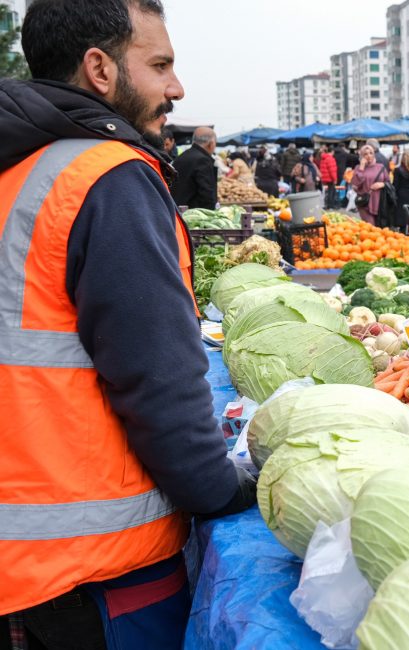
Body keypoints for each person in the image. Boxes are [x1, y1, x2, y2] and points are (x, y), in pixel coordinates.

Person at [0, 1, 256, 647]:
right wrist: (222, 489)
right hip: (90, 570)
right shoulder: (106, 176)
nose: (177, 89)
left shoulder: (19, 166)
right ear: (100, 69)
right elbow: (159, 377)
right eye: (160, 65)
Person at [171, 125, 217, 210]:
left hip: (176, 210)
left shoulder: (182, 157)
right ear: (211, 144)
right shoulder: (203, 160)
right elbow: (207, 194)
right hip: (193, 214)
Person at [350, 144, 388, 225]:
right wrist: (361, 167)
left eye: (371, 153)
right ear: (362, 156)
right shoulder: (358, 168)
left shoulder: (381, 167)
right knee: (371, 229)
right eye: (365, 154)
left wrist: (382, 184)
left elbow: (388, 182)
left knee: (380, 230)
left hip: (379, 203)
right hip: (365, 203)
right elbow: (355, 186)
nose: (369, 156)